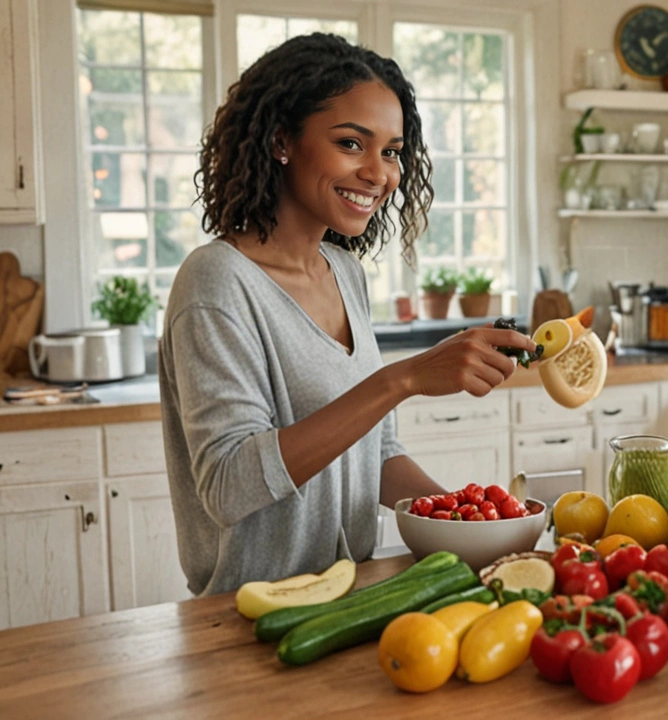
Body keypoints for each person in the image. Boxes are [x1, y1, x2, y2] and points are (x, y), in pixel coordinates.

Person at [158, 33, 535, 597]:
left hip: (348, 595)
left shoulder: (344, 271)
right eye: (352, 144)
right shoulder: (216, 281)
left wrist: (464, 521)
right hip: (249, 616)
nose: (379, 173)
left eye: (391, 151)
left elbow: (374, 453)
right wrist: (402, 379)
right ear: (281, 140)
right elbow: (228, 485)